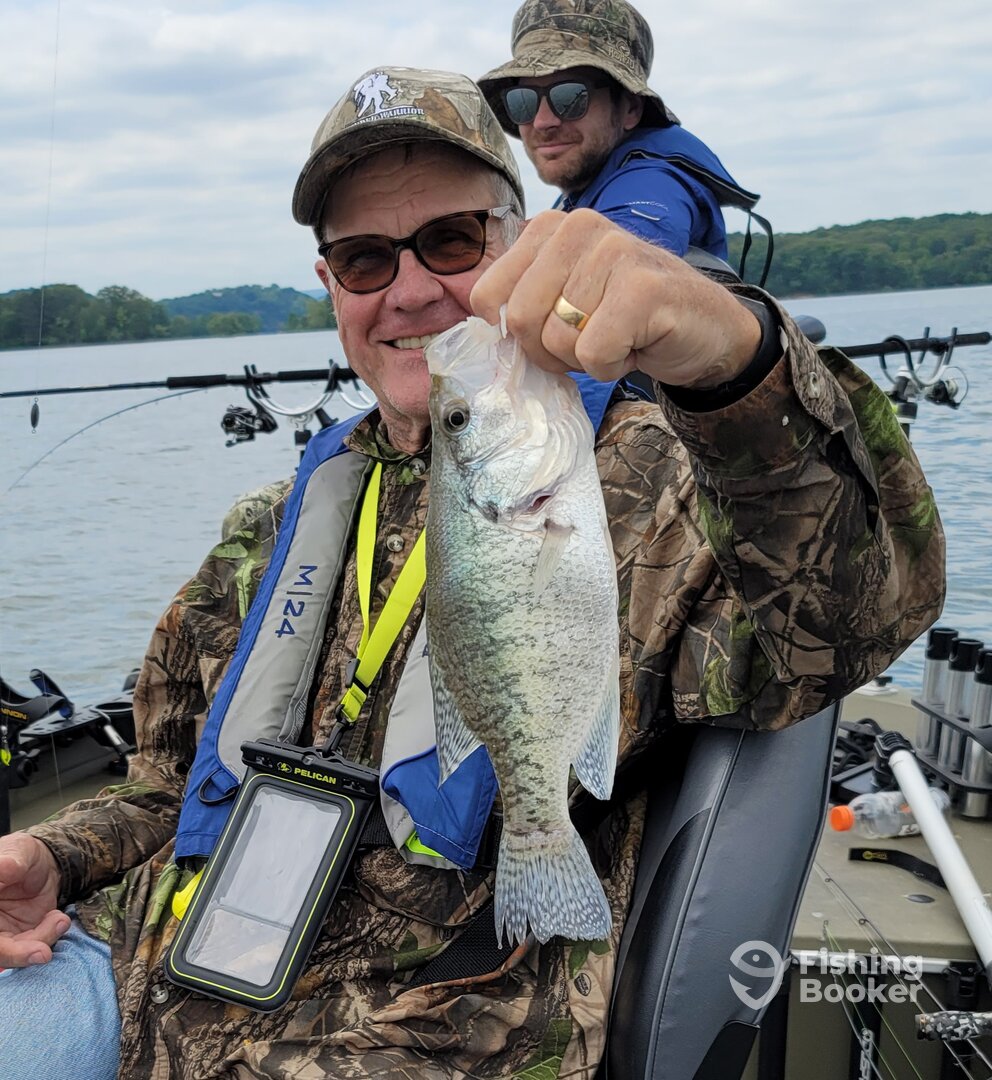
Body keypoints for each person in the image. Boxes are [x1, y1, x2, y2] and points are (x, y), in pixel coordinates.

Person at [0, 65, 944, 1080]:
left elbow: (853, 618)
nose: (408, 291)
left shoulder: (645, 481)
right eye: (364, 259)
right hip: (142, 980)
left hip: (405, 1039)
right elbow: (166, 780)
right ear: (329, 286)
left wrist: (734, 362)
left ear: (518, 237)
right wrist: (54, 857)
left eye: (451, 241)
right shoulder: (268, 525)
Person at [478, 0, 760, 262]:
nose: (542, 121)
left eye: (570, 98)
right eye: (523, 101)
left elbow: (629, 250)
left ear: (630, 109)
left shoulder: (654, 181)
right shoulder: (586, 190)